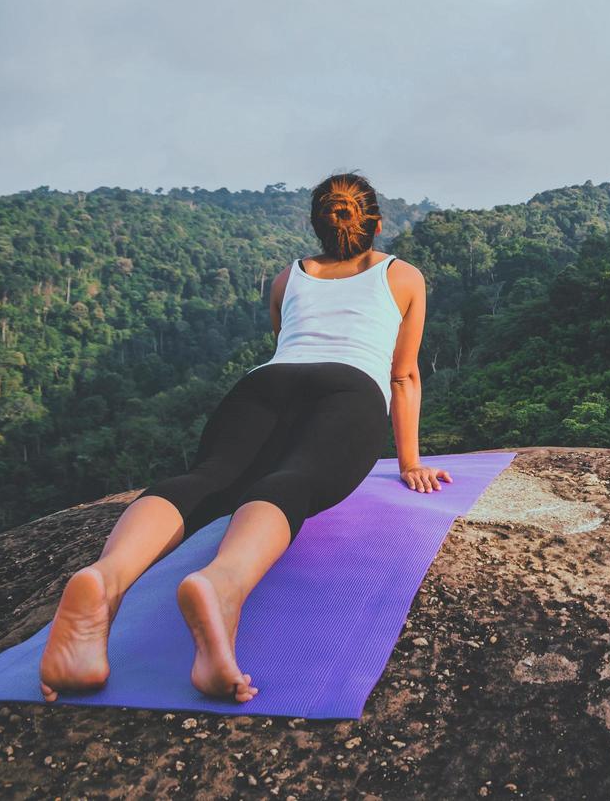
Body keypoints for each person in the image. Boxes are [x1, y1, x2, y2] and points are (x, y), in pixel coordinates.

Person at [38, 172, 450, 704]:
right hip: (349, 388)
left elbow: (288, 347)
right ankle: (223, 585)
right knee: (292, 481)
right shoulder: (403, 276)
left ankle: (107, 578)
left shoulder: (290, 276)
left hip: (264, 384)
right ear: (374, 220)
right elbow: (403, 375)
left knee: (208, 478)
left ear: (317, 223)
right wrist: (410, 461)